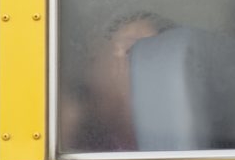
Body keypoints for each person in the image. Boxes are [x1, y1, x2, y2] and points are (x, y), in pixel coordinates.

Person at [60, 11, 173, 152]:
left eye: (148, 53)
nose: (137, 63)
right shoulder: (67, 123)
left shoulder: (175, 132)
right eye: (131, 50)